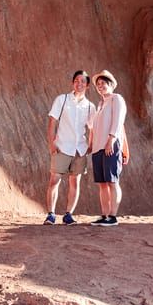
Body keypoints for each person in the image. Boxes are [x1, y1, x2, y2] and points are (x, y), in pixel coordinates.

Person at [44, 71, 96, 225]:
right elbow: (52, 122)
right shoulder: (62, 99)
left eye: (82, 82)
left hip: (80, 149)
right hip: (62, 146)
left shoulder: (89, 106)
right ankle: (51, 214)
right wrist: (51, 143)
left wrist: (90, 145)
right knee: (54, 180)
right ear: (73, 83)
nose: (79, 84)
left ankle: (68, 214)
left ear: (87, 86)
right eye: (76, 81)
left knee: (75, 182)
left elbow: (92, 128)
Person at [89, 70, 128, 227]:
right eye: (98, 85)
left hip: (110, 145)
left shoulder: (116, 99)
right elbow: (92, 127)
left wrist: (111, 140)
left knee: (112, 181)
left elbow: (119, 121)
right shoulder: (100, 105)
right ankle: (104, 215)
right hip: (98, 148)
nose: (100, 86)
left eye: (103, 83)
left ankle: (112, 216)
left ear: (111, 85)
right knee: (102, 183)